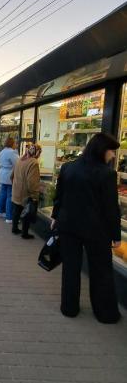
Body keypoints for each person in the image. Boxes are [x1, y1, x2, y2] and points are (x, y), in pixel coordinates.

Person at [51, 133, 121, 323]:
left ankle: (69, 308)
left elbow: (60, 195)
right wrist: (116, 235)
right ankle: (105, 313)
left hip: (68, 226)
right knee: (101, 271)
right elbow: (111, 208)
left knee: (70, 268)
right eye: (111, 151)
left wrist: (55, 216)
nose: (113, 155)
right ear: (102, 150)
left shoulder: (68, 167)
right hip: (96, 230)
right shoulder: (107, 174)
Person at [11, 143, 41, 239]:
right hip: (25, 193)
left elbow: (11, 175)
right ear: (37, 153)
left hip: (16, 191)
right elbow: (32, 182)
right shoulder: (34, 163)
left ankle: (14, 228)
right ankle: (25, 233)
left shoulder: (20, 159)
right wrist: (34, 195)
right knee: (27, 212)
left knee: (17, 210)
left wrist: (15, 185)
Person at [0, 137, 18, 223]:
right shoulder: (12, 152)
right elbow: (17, 163)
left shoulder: (2, 151)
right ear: (12, 143)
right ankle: (9, 217)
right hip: (9, 175)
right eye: (15, 143)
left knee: (2, 193)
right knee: (10, 196)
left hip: (2, 174)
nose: (16, 144)